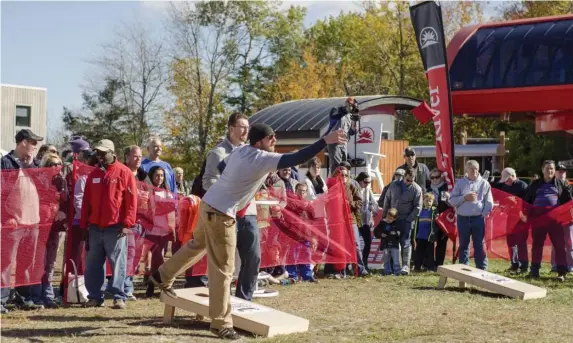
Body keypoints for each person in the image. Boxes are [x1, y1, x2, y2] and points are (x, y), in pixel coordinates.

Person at [150, 124, 347, 340]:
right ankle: (220, 324)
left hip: (209, 204)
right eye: (271, 138)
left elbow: (224, 166)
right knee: (224, 269)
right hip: (222, 213)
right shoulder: (260, 157)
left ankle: (163, 274)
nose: (274, 140)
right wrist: (324, 142)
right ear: (259, 141)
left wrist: (242, 182)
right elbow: (297, 157)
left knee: (197, 245)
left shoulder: (241, 151)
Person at [201, 113, 253, 298]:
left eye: (248, 127)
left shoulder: (250, 151)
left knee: (252, 257)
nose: (246, 131)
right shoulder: (217, 153)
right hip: (224, 212)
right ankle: (219, 296)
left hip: (247, 211)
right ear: (231, 129)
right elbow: (207, 182)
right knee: (224, 260)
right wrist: (228, 190)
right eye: (242, 127)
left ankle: (244, 299)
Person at [80, 139, 137, 309]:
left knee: (117, 263)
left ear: (113, 153)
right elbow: (86, 202)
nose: (100, 156)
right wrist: (85, 225)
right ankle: (95, 297)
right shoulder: (93, 174)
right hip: (95, 228)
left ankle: (119, 296)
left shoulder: (124, 173)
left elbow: (131, 201)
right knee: (93, 264)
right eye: (98, 153)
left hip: (116, 227)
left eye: (104, 153)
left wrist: (127, 223)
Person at [1, 129, 45, 313]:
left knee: (27, 262)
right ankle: (1, 299)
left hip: (32, 222)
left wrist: (32, 168)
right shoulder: (6, 163)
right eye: (33, 142)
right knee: (5, 263)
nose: (35, 146)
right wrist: (5, 217)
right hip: (13, 223)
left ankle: (23, 297)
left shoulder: (34, 164)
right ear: (22, 143)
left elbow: (45, 187)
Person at [523, 160, 572, 281]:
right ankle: (534, 271)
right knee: (536, 245)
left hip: (555, 221)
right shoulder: (535, 185)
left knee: (559, 246)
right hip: (538, 220)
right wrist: (525, 214)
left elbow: (569, 201)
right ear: (542, 169)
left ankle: (561, 272)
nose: (549, 171)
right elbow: (526, 200)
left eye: (551, 169)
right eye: (547, 168)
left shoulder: (562, 184)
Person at [448, 160, 494, 270]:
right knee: (464, 245)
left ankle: (482, 269)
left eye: (476, 169)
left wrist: (484, 213)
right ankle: (463, 269)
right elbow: (452, 200)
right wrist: (464, 198)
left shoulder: (484, 183)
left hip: (478, 218)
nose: (474, 171)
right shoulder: (460, 183)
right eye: (471, 169)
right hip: (463, 218)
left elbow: (489, 201)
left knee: (479, 244)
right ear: (466, 170)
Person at [143, 166, 177, 297]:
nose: (159, 178)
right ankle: (161, 283)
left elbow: (172, 212)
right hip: (151, 230)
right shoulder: (147, 192)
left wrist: (172, 228)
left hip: (163, 230)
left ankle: (155, 284)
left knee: (160, 257)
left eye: (162, 175)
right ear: (151, 176)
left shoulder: (167, 193)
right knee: (156, 257)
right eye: (157, 175)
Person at [382, 168, 423, 275]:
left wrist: (409, 219)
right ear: (404, 177)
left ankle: (405, 266)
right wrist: (385, 216)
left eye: (412, 180)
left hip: (406, 219)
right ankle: (390, 267)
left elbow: (418, 207)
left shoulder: (417, 189)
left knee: (405, 243)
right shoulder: (394, 185)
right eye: (407, 180)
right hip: (392, 218)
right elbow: (387, 199)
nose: (409, 182)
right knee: (390, 243)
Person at [497, 167, 529, 273]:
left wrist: (515, 202)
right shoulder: (505, 187)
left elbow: (527, 203)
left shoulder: (523, 186)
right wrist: (504, 206)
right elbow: (503, 201)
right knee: (511, 241)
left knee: (521, 242)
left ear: (512, 176)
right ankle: (514, 264)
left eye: (506, 179)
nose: (505, 182)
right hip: (510, 217)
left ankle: (523, 266)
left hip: (521, 218)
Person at [325, 100, 357, 173]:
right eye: (350, 105)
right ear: (346, 104)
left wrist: (355, 120)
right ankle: (335, 182)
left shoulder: (349, 116)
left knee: (344, 166)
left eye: (353, 106)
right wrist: (346, 110)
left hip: (344, 144)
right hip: (334, 142)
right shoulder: (336, 110)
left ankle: (343, 182)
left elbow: (351, 132)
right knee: (336, 166)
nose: (352, 107)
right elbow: (334, 117)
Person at [428, 169, 450, 267]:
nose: (435, 179)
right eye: (432, 177)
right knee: (429, 240)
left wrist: (448, 198)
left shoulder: (447, 187)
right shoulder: (428, 189)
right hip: (430, 218)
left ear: (441, 177)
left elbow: (450, 204)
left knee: (442, 241)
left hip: (443, 218)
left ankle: (439, 264)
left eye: (437, 177)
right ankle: (429, 263)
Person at [356, 172, 378, 270]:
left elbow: (374, 204)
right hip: (355, 221)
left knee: (368, 242)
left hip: (364, 221)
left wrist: (373, 209)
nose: (367, 184)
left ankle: (364, 262)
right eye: (366, 182)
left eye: (369, 182)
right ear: (360, 180)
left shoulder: (368, 191)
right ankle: (354, 264)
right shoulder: (355, 188)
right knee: (355, 244)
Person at [412, 193, 438, 272]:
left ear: (433, 202)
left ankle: (430, 268)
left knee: (430, 253)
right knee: (419, 253)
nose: (428, 202)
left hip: (429, 237)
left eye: (430, 201)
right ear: (423, 201)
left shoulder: (434, 211)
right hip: (420, 236)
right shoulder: (420, 211)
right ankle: (417, 267)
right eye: (426, 200)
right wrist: (415, 234)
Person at [374, 208, 401, 276]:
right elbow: (376, 231)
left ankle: (397, 272)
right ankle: (387, 271)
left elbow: (400, 233)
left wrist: (395, 233)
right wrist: (381, 234)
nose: (388, 219)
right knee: (386, 260)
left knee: (396, 260)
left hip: (394, 246)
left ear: (394, 219)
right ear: (386, 215)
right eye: (388, 217)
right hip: (385, 245)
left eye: (390, 218)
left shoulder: (396, 224)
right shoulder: (382, 223)